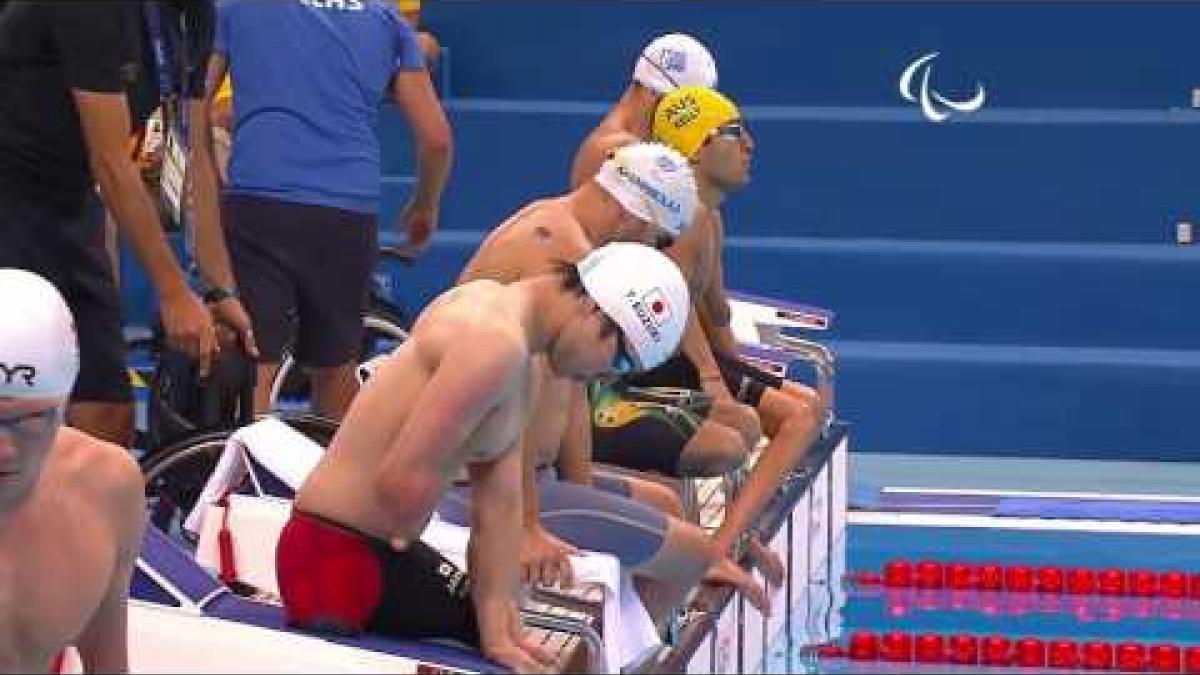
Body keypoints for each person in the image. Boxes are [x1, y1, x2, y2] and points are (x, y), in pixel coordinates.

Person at [278, 242, 691, 674]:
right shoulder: (494, 346)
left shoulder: (521, 351)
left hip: (374, 553)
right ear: (593, 310)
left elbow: (499, 504)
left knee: (529, 648)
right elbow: (401, 485)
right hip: (335, 562)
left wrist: (497, 626)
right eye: (621, 359)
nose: (607, 376)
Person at [597, 86, 827, 583]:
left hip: (684, 349)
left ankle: (735, 534)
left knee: (802, 404)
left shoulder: (707, 214)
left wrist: (745, 373)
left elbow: (715, 315)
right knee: (796, 416)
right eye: (734, 132)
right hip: (659, 356)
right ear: (698, 148)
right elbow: (671, 312)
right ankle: (722, 546)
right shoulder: (690, 218)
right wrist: (715, 382)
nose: (750, 144)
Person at [0, 1, 254, 447]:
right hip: (12, 195)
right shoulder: (93, 9)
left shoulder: (193, 15)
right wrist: (173, 292)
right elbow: (111, 163)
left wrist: (219, 289)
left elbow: (192, 153)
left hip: (68, 202)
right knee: (18, 399)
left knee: (108, 412)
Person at [210, 0, 453, 419]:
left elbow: (194, 104)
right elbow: (436, 138)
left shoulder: (237, 6)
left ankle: (244, 478)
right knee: (336, 366)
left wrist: (209, 175)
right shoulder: (386, 18)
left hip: (259, 198)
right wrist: (423, 206)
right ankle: (338, 480)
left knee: (258, 362)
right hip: (347, 210)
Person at [0, 269, 146, 673]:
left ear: (65, 406)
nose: (5, 450)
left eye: (30, 419)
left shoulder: (105, 485)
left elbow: (108, 663)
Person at [569, 33, 718, 190]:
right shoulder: (621, 149)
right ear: (653, 92)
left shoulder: (632, 146)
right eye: (683, 109)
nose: (686, 122)